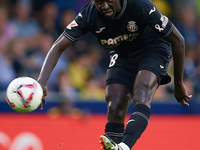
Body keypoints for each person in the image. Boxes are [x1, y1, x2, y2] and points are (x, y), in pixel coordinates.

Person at [37, 0, 192, 149]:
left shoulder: (140, 5)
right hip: (123, 54)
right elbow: (58, 46)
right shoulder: (88, 14)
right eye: (99, 2)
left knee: (142, 90)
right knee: (115, 102)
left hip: (152, 48)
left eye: (109, 1)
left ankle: (124, 147)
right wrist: (42, 81)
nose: (104, 6)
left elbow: (178, 40)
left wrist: (179, 83)